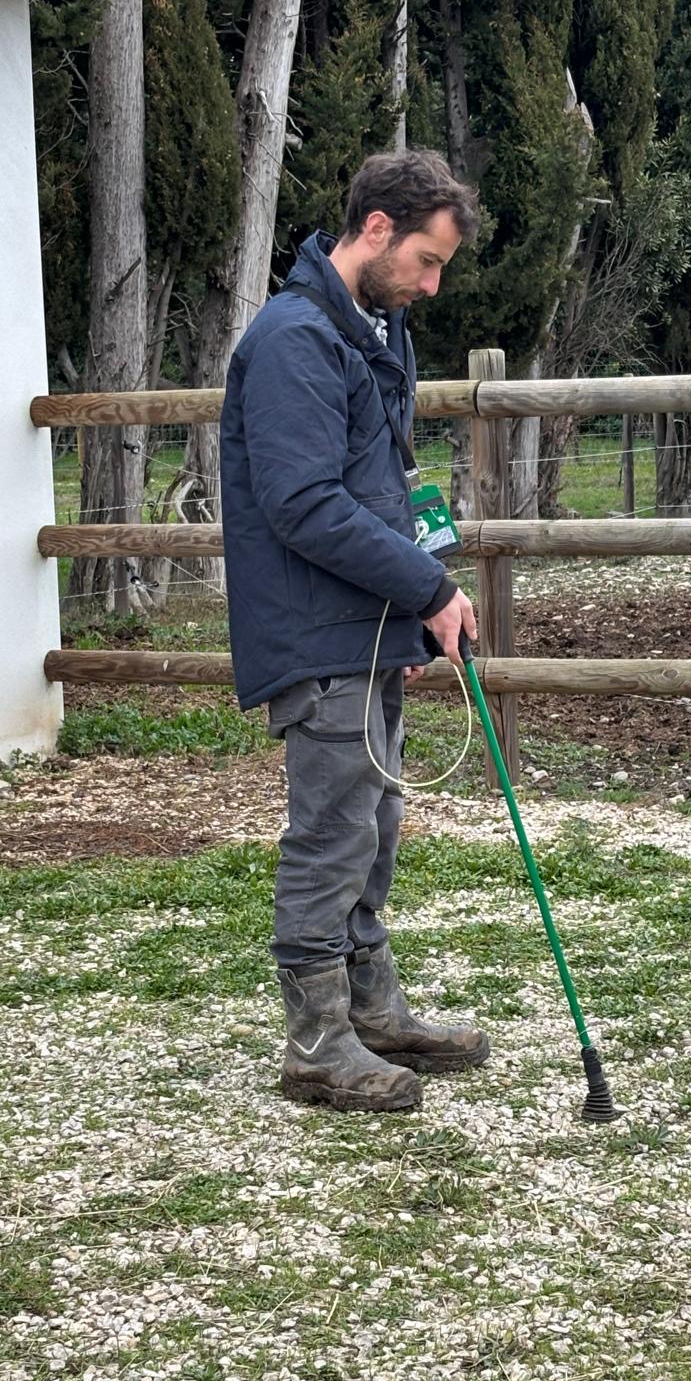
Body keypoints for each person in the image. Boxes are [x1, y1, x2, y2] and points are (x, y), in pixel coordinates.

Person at [219, 149, 489, 1114]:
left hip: (367, 627)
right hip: (314, 629)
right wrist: (424, 588)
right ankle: (317, 1044)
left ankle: (371, 1010)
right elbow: (302, 505)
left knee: (374, 827)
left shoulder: (373, 329)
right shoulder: (295, 338)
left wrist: (419, 599)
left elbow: (381, 483)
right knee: (330, 837)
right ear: (375, 229)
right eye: (424, 258)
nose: (431, 282)